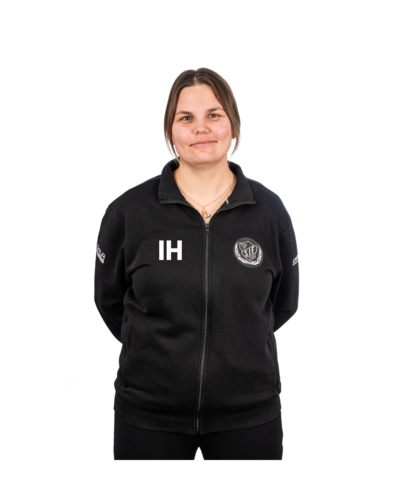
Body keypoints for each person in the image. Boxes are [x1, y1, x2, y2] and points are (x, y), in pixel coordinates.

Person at [94, 67, 299, 460]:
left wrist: (237, 345)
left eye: (214, 115)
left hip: (248, 412)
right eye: (186, 117)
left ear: (232, 124)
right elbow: (110, 301)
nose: (201, 128)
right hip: (149, 413)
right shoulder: (129, 213)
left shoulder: (269, 212)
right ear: (170, 130)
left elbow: (283, 303)